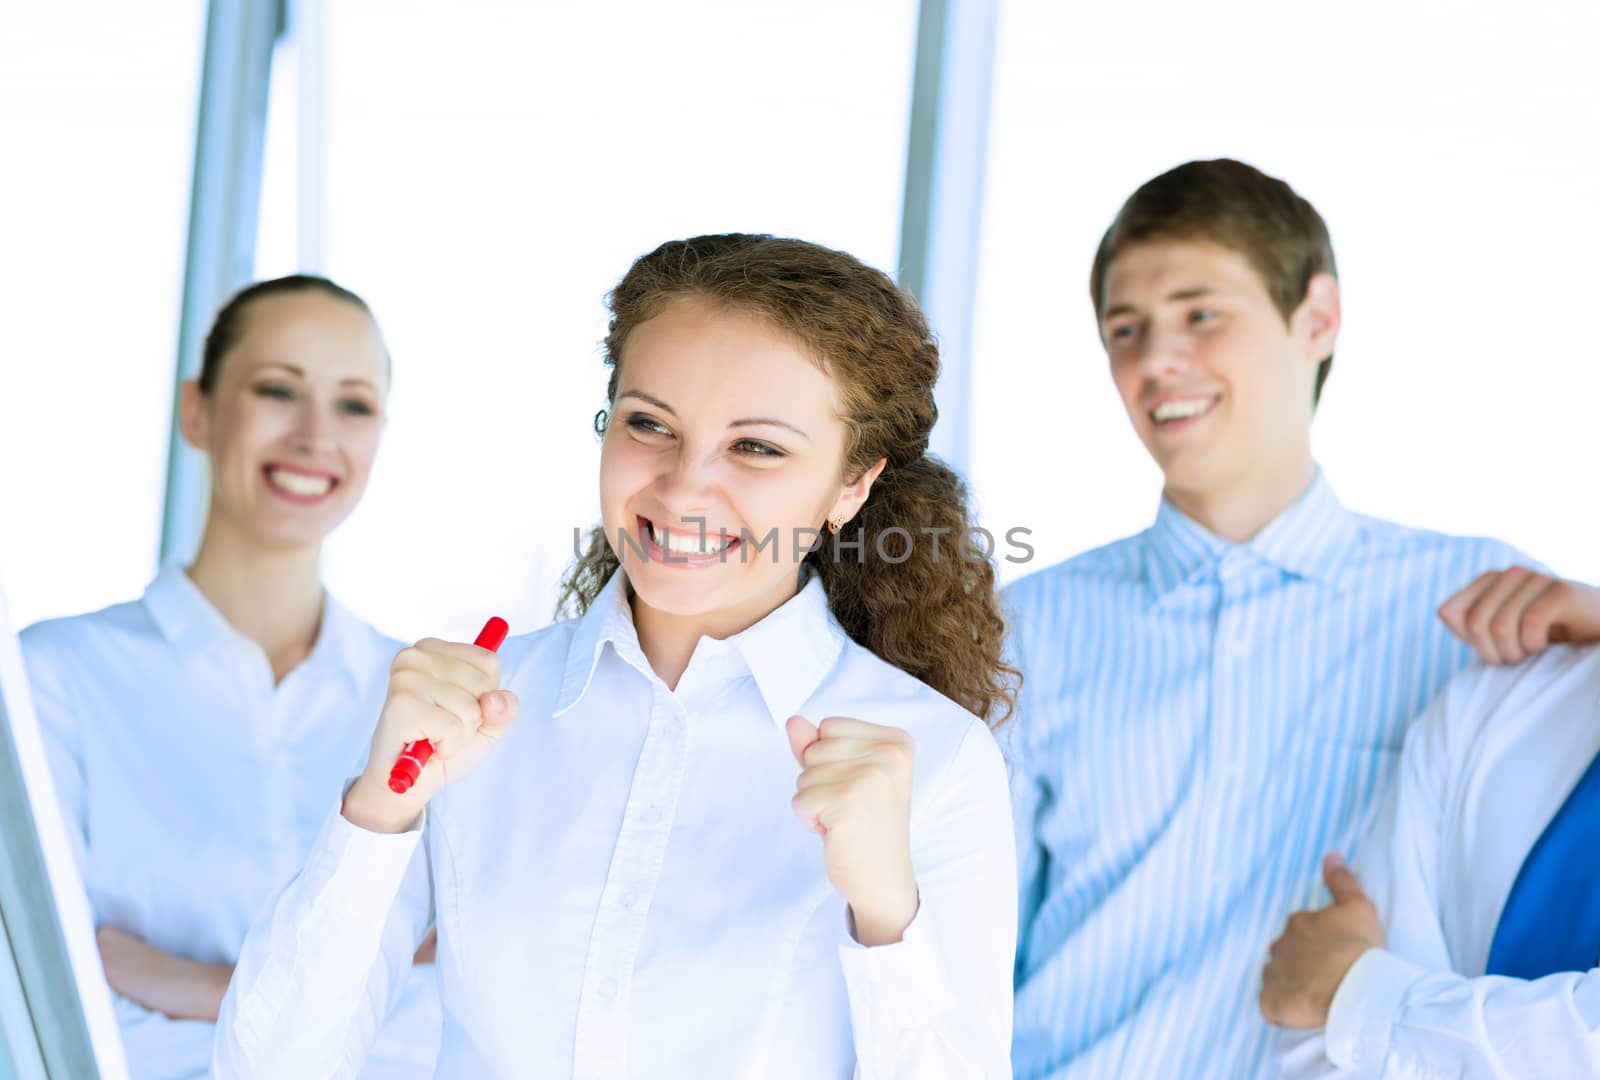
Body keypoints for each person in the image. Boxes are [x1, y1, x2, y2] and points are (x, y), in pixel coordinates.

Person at [214, 234, 1021, 1078]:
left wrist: (886, 909)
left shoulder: (935, 759)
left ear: (851, 486)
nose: (679, 488)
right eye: (649, 425)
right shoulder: (471, 715)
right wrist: (378, 812)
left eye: (757, 447)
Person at [1004, 158, 1533, 1077]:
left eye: (1201, 313)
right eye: (1125, 329)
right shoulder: (1022, 632)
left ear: (1316, 318)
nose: (1155, 358)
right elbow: (958, 945)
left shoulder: (1486, 604)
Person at [20, 275, 441, 1080]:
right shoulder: (56, 680)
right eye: (278, 389)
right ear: (199, 410)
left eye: (352, 405)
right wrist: (348, 997)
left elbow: (450, 1020)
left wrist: (183, 981)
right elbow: (49, 1017)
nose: (317, 435)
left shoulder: (419, 698)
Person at [1262, 569, 1600, 1077]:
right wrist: (1352, 999)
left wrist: (1361, 998)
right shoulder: (1503, 696)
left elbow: (1335, 998)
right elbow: (1321, 1045)